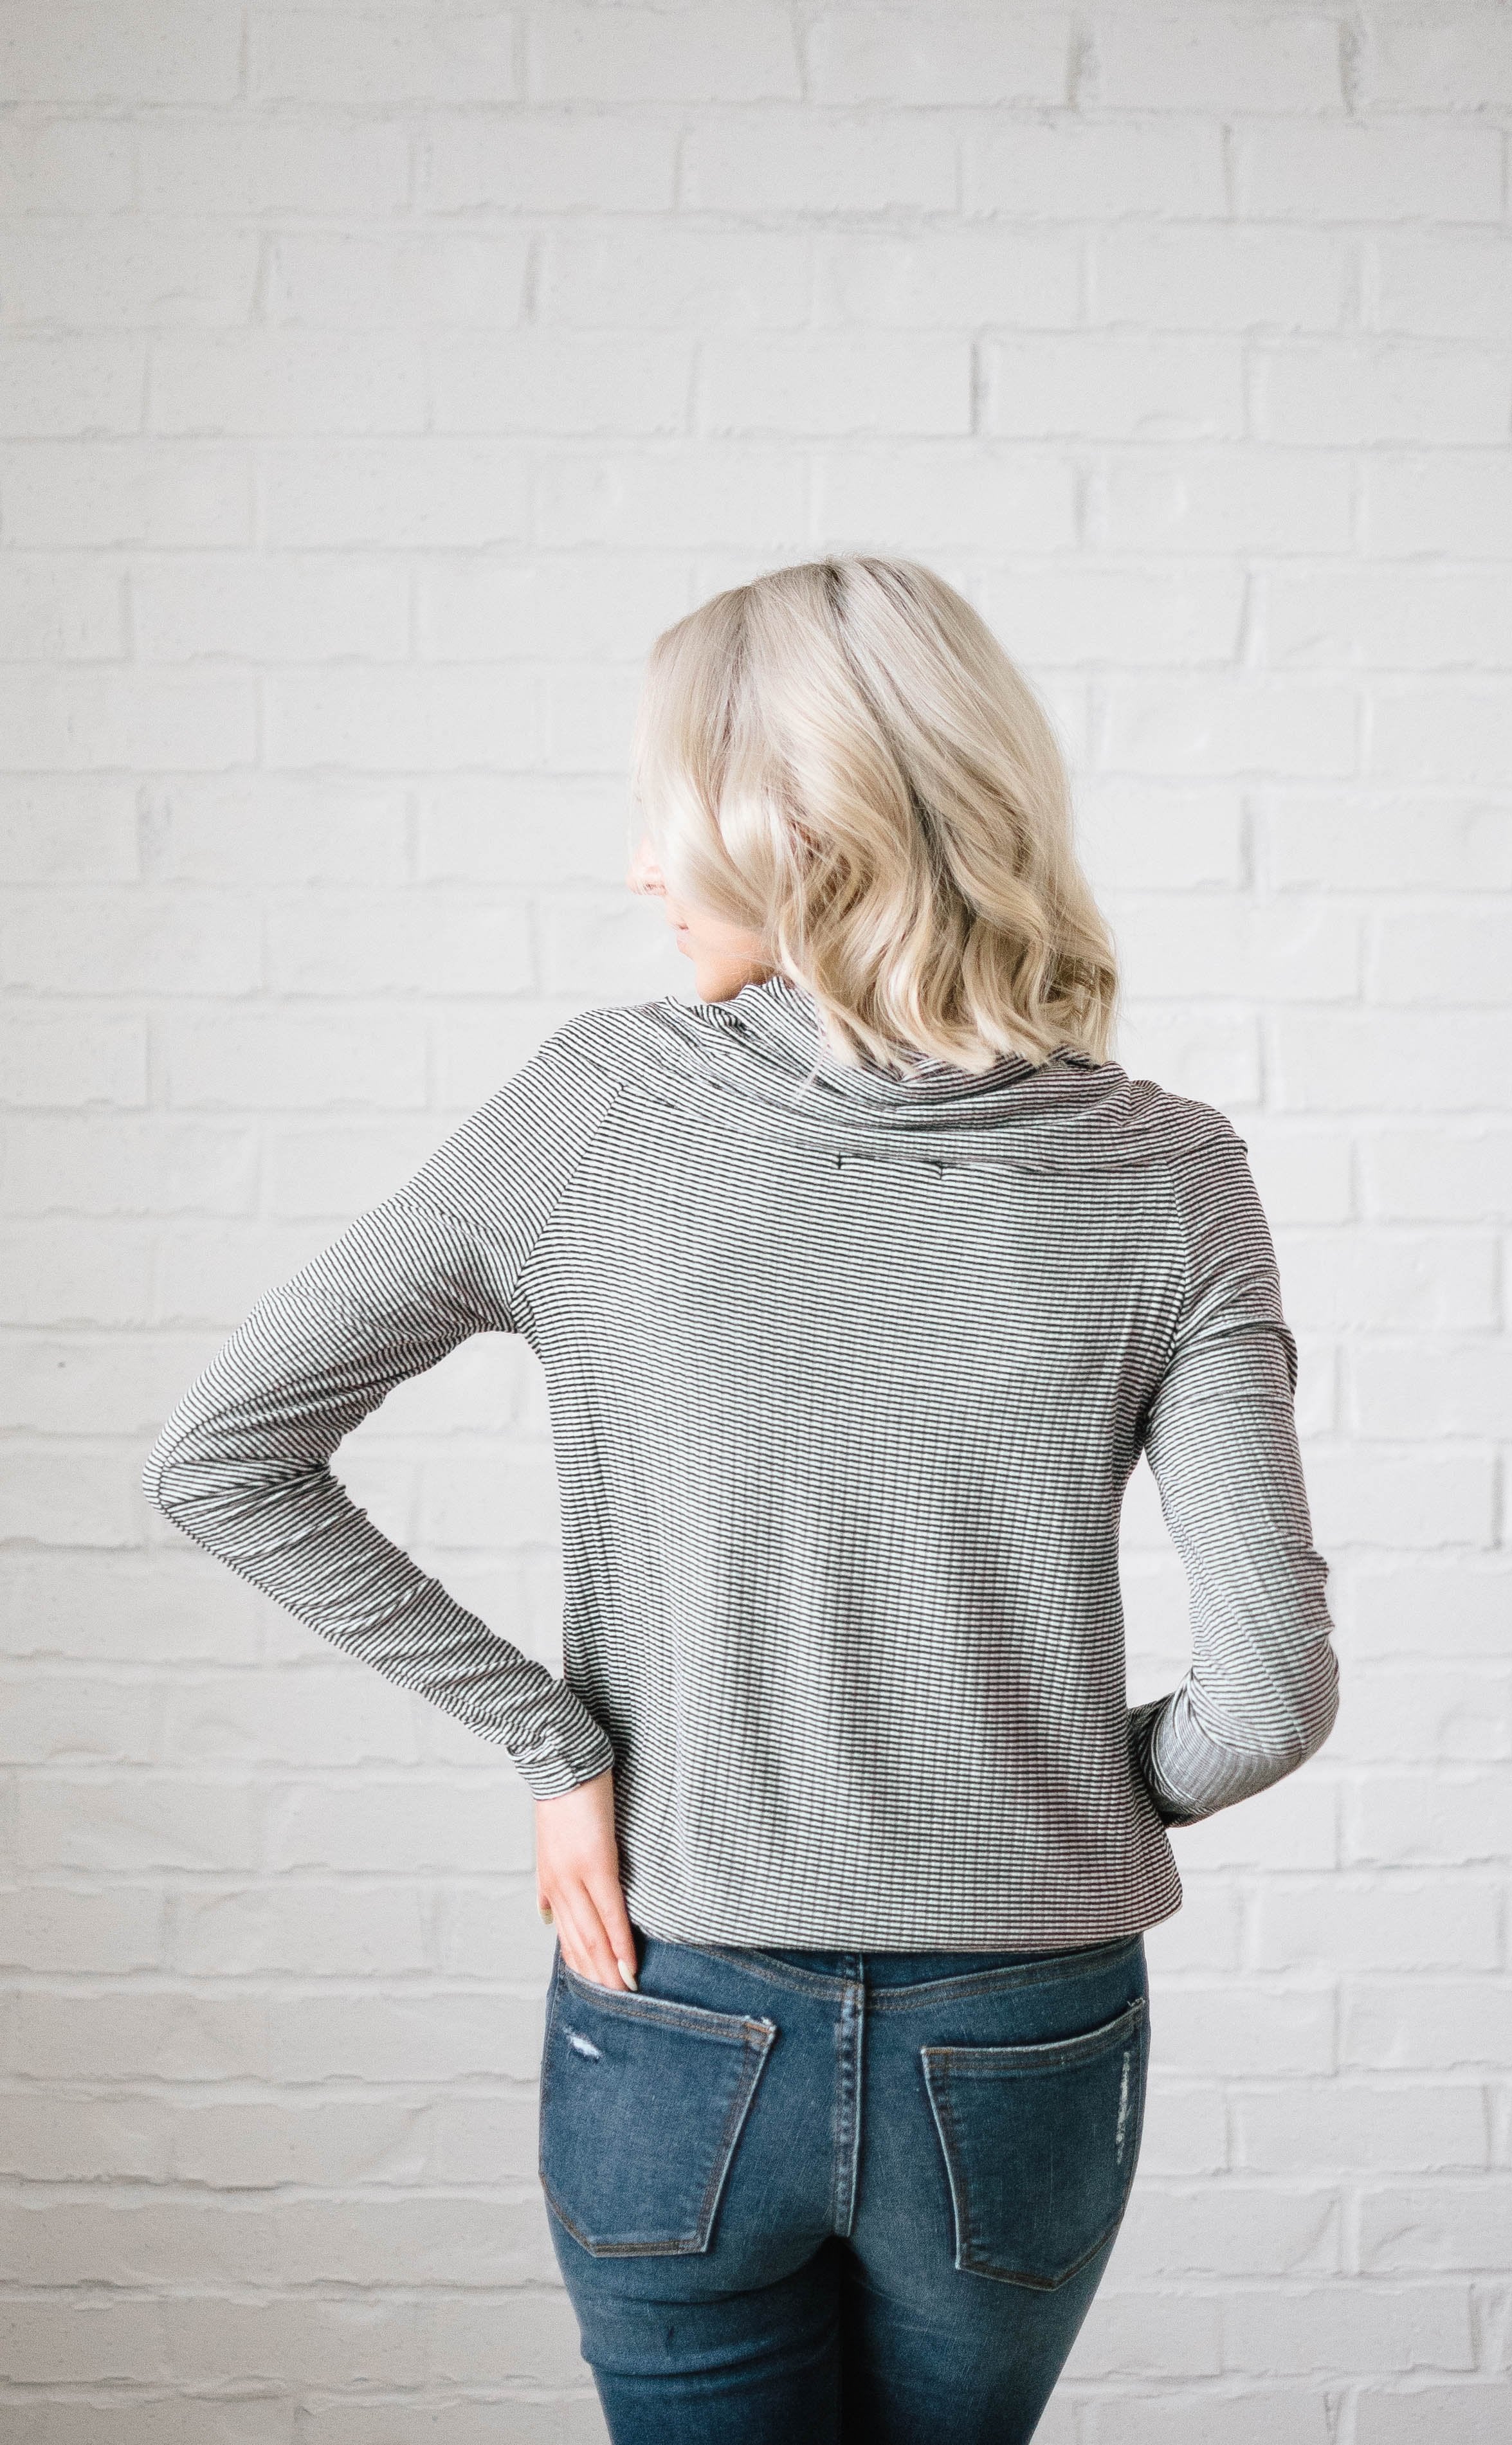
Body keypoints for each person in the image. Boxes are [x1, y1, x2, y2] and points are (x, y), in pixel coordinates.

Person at [143, 555, 1338, 2445]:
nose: (640, 870)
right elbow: (1268, 1700)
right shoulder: (1170, 1175)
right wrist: (1040, 1800)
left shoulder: (600, 1110)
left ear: (802, 835)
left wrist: (551, 1740)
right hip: (1021, 2032)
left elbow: (226, 1447)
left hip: (676, 2003)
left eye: (665, 820)